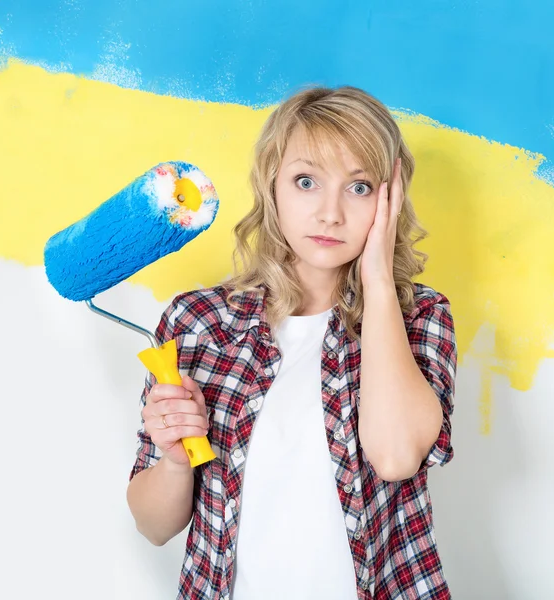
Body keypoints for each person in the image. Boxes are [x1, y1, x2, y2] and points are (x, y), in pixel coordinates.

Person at [126, 85, 457, 600]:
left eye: (360, 187)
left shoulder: (419, 317)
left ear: (389, 200)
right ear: (272, 187)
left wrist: (378, 280)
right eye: (306, 181)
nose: (330, 213)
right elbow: (154, 526)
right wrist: (173, 459)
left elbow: (394, 458)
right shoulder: (199, 322)